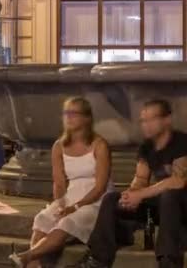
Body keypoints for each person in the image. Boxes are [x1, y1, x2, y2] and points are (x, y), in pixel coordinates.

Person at [69, 100, 187, 268]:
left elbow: (178, 181)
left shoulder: (182, 142)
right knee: (111, 199)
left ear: (166, 120)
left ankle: (169, 262)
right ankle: (98, 260)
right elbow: (140, 179)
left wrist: (141, 194)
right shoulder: (147, 147)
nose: (145, 125)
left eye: (151, 119)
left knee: (170, 196)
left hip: (182, 205)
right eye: (143, 120)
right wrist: (131, 195)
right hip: (163, 205)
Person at [9, 97, 113, 268]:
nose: (68, 117)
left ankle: (27, 256)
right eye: (66, 113)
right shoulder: (59, 146)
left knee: (67, 222)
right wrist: (60, 203)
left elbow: (100, 187)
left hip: (95, 200)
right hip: (71, 196)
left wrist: (76, 207)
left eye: (74, 113)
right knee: (44, 218)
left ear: (87, 118)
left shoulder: (99, 145)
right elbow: (59, 183)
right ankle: (32, 262)